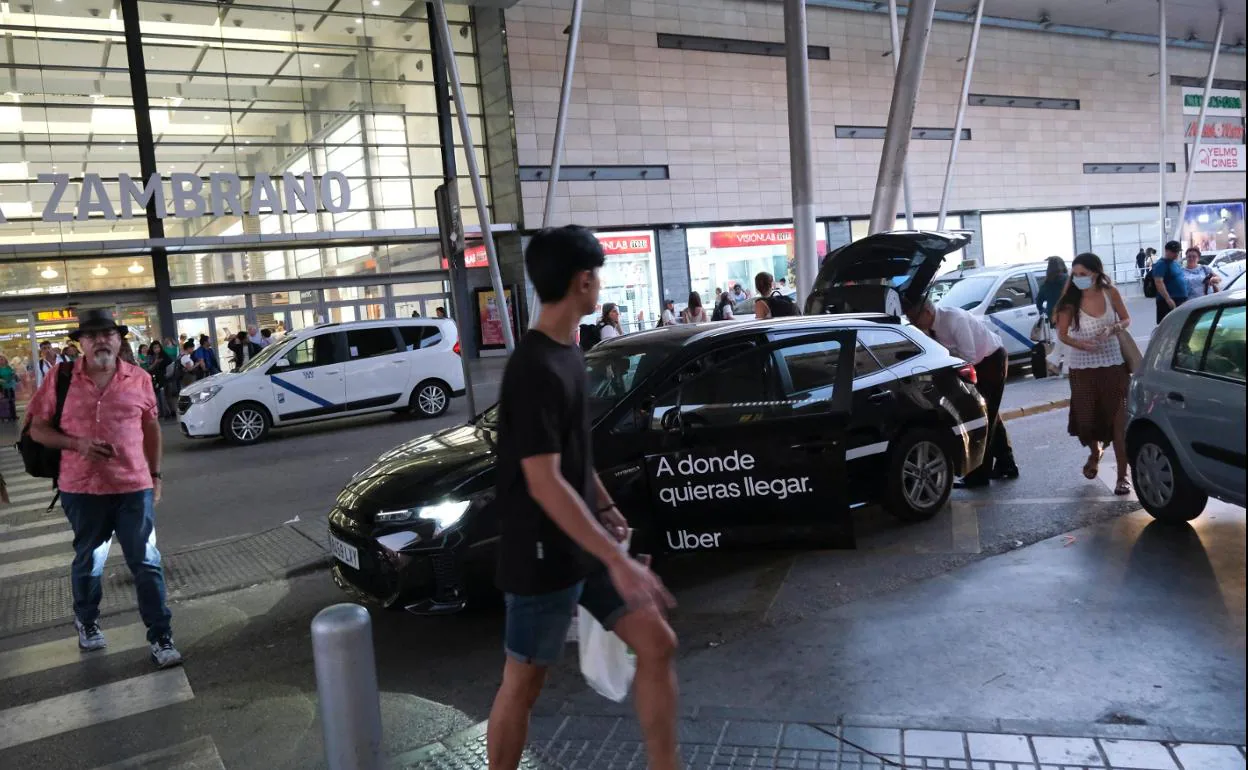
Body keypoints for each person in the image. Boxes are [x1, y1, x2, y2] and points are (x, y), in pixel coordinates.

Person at [488, 225, 678, 770]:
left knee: (657, 643)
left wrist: (604, 505)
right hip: (539, 556)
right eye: (597, 275)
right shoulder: (533, 369)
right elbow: (543, 480)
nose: (600, 285)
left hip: (583, 544)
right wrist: (616, 561)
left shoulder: (569, 353)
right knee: (522, 685)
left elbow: (572, 456)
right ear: (582, 280)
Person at [26, 309, 182, 668]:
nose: (101, 340)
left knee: (146, 561)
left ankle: (161, 636)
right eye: (92, 334)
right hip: (81, 489)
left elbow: (152, 428)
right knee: (89, 559)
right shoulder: (60, 379)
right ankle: (87, 619)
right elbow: (37, 429)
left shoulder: (139, 378)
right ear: (80, 343)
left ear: (118, 339)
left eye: (108, 333)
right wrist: (77, 444)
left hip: (133, 486)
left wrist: (156, 476)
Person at [905, 296, 1018, 485]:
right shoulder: (927, 328)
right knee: (991, 415)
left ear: (927, 312)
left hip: (990, 361)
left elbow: (969, 356)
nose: (912, 323)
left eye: (914, 318)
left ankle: (978, 474)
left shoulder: (954, 320)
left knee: (983, 416)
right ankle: (1006, 463)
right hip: (973, 364)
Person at [1054, 253, 1132, 496]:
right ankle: (1095, 451)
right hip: (1082, 370)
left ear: (1096, 273)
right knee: (1086, 423)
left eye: (1083, 275)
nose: (1078, 279)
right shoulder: (1070, 301)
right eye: (1075, 275)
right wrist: (1081, 345)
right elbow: (1062, 334)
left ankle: (1122, 477)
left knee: (1119, 424)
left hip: (1114, 366)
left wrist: (1114, 327)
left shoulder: (1111, 293)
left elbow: (1126, 318)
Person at [1152, 240, 1187, 323]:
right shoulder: (1161, 264)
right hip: (1168, 301)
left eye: (1178, 252)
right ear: (1167, 251)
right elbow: (1158, 282)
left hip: (1180, 299)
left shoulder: (1175, 263)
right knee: (1168, 325)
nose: (1176, 254)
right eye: (1174, 252)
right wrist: (1168, 299)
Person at [1035, 256, 1067, 321]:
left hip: (1053, 318)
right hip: (1070, 316)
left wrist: (1044, 310)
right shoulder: (1069, 279)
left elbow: (1038, 302)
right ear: (1063, 265)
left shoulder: (1046, 284)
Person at [0, 354, 16, 421]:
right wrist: (1, 380)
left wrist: (12, 375)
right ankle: (6, 415)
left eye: (1, 359)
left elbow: (13, 374)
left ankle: (13, 415)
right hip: (2, 387)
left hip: (10, 386)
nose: (0, 361)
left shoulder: (9, 367)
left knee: (12, 401)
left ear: (5, 360)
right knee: (5, 401)